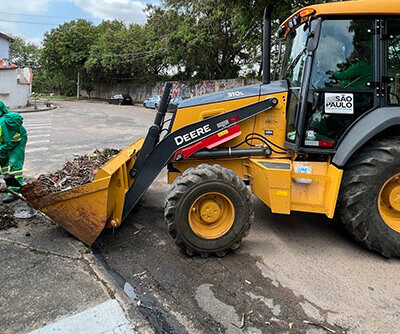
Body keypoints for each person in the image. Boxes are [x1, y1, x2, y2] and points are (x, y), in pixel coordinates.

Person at [0, 101, 28, 203]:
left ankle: (14, 191)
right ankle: (9, 183)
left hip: (17, 139)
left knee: (14, 162)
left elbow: (9, 142)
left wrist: (2, 149)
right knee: (3, 163)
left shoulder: (7, 123)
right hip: (5, 141)